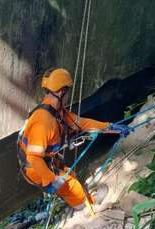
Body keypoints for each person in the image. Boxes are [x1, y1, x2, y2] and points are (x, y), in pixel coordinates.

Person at [17, 68, 130, 208]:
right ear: (62, 91)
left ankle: (81, 199)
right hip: (36, 169)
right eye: (68, 91)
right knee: (73, 188)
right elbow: (33, 157)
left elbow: (82, 123)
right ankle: (85, 206)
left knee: (71, 177)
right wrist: (51, 180)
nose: (69, 96)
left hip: (46, 162)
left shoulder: (55, 112)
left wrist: (111, 127)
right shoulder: (43, 121)